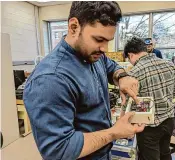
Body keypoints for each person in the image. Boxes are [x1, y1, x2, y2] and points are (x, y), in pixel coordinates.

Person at [23, 2, 145, 160]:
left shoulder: (92, 54)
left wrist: (122, 76)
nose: (104, 48)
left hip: (102, 153)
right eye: (99, 39)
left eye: (108, 40)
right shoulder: (50, 80)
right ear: (74, 27)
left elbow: (110, 65)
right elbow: (59, 150)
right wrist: (114, 132)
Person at [121, 37, 175, 160]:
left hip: (149, 127)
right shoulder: (169, 64)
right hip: (169, 120)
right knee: (165, 152)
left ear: (130, 55)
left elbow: (127, 106)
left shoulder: (134, 73)